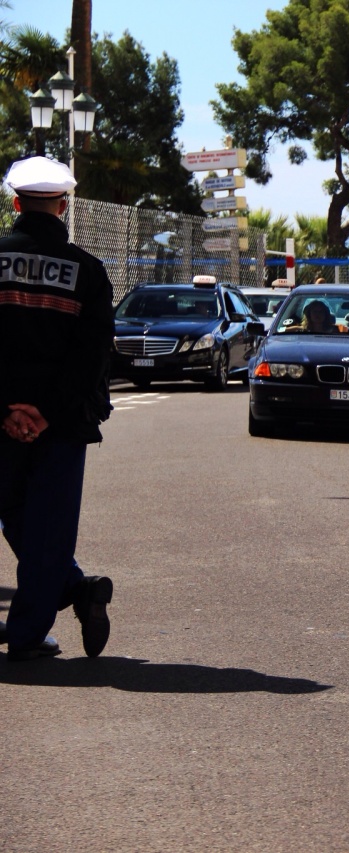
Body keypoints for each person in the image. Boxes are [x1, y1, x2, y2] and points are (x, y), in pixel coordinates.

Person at [0, 156, 114, 662]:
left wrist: (7, 410)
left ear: (16, 204)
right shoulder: (88, 272)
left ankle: (73, 590)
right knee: (47, 524)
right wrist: (45, 411)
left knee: (15, 518)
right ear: (63, 205)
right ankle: (29, 632)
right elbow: (91, 357)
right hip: (62, 424)